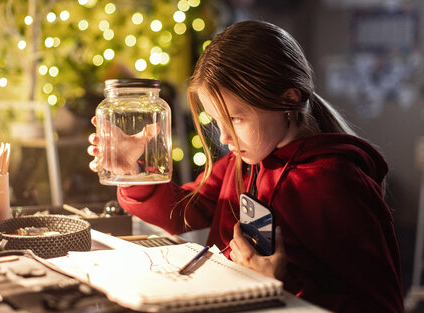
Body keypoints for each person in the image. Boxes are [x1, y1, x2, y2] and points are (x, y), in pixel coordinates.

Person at [87, 21, 404, 313]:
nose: (224, 138)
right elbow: (183, 211)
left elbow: (382, 305)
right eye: (216, 121)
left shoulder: (335, 183)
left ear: (289, 101)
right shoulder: (242, 163)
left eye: (236, 119)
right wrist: (133, 170)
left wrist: (275, 287)